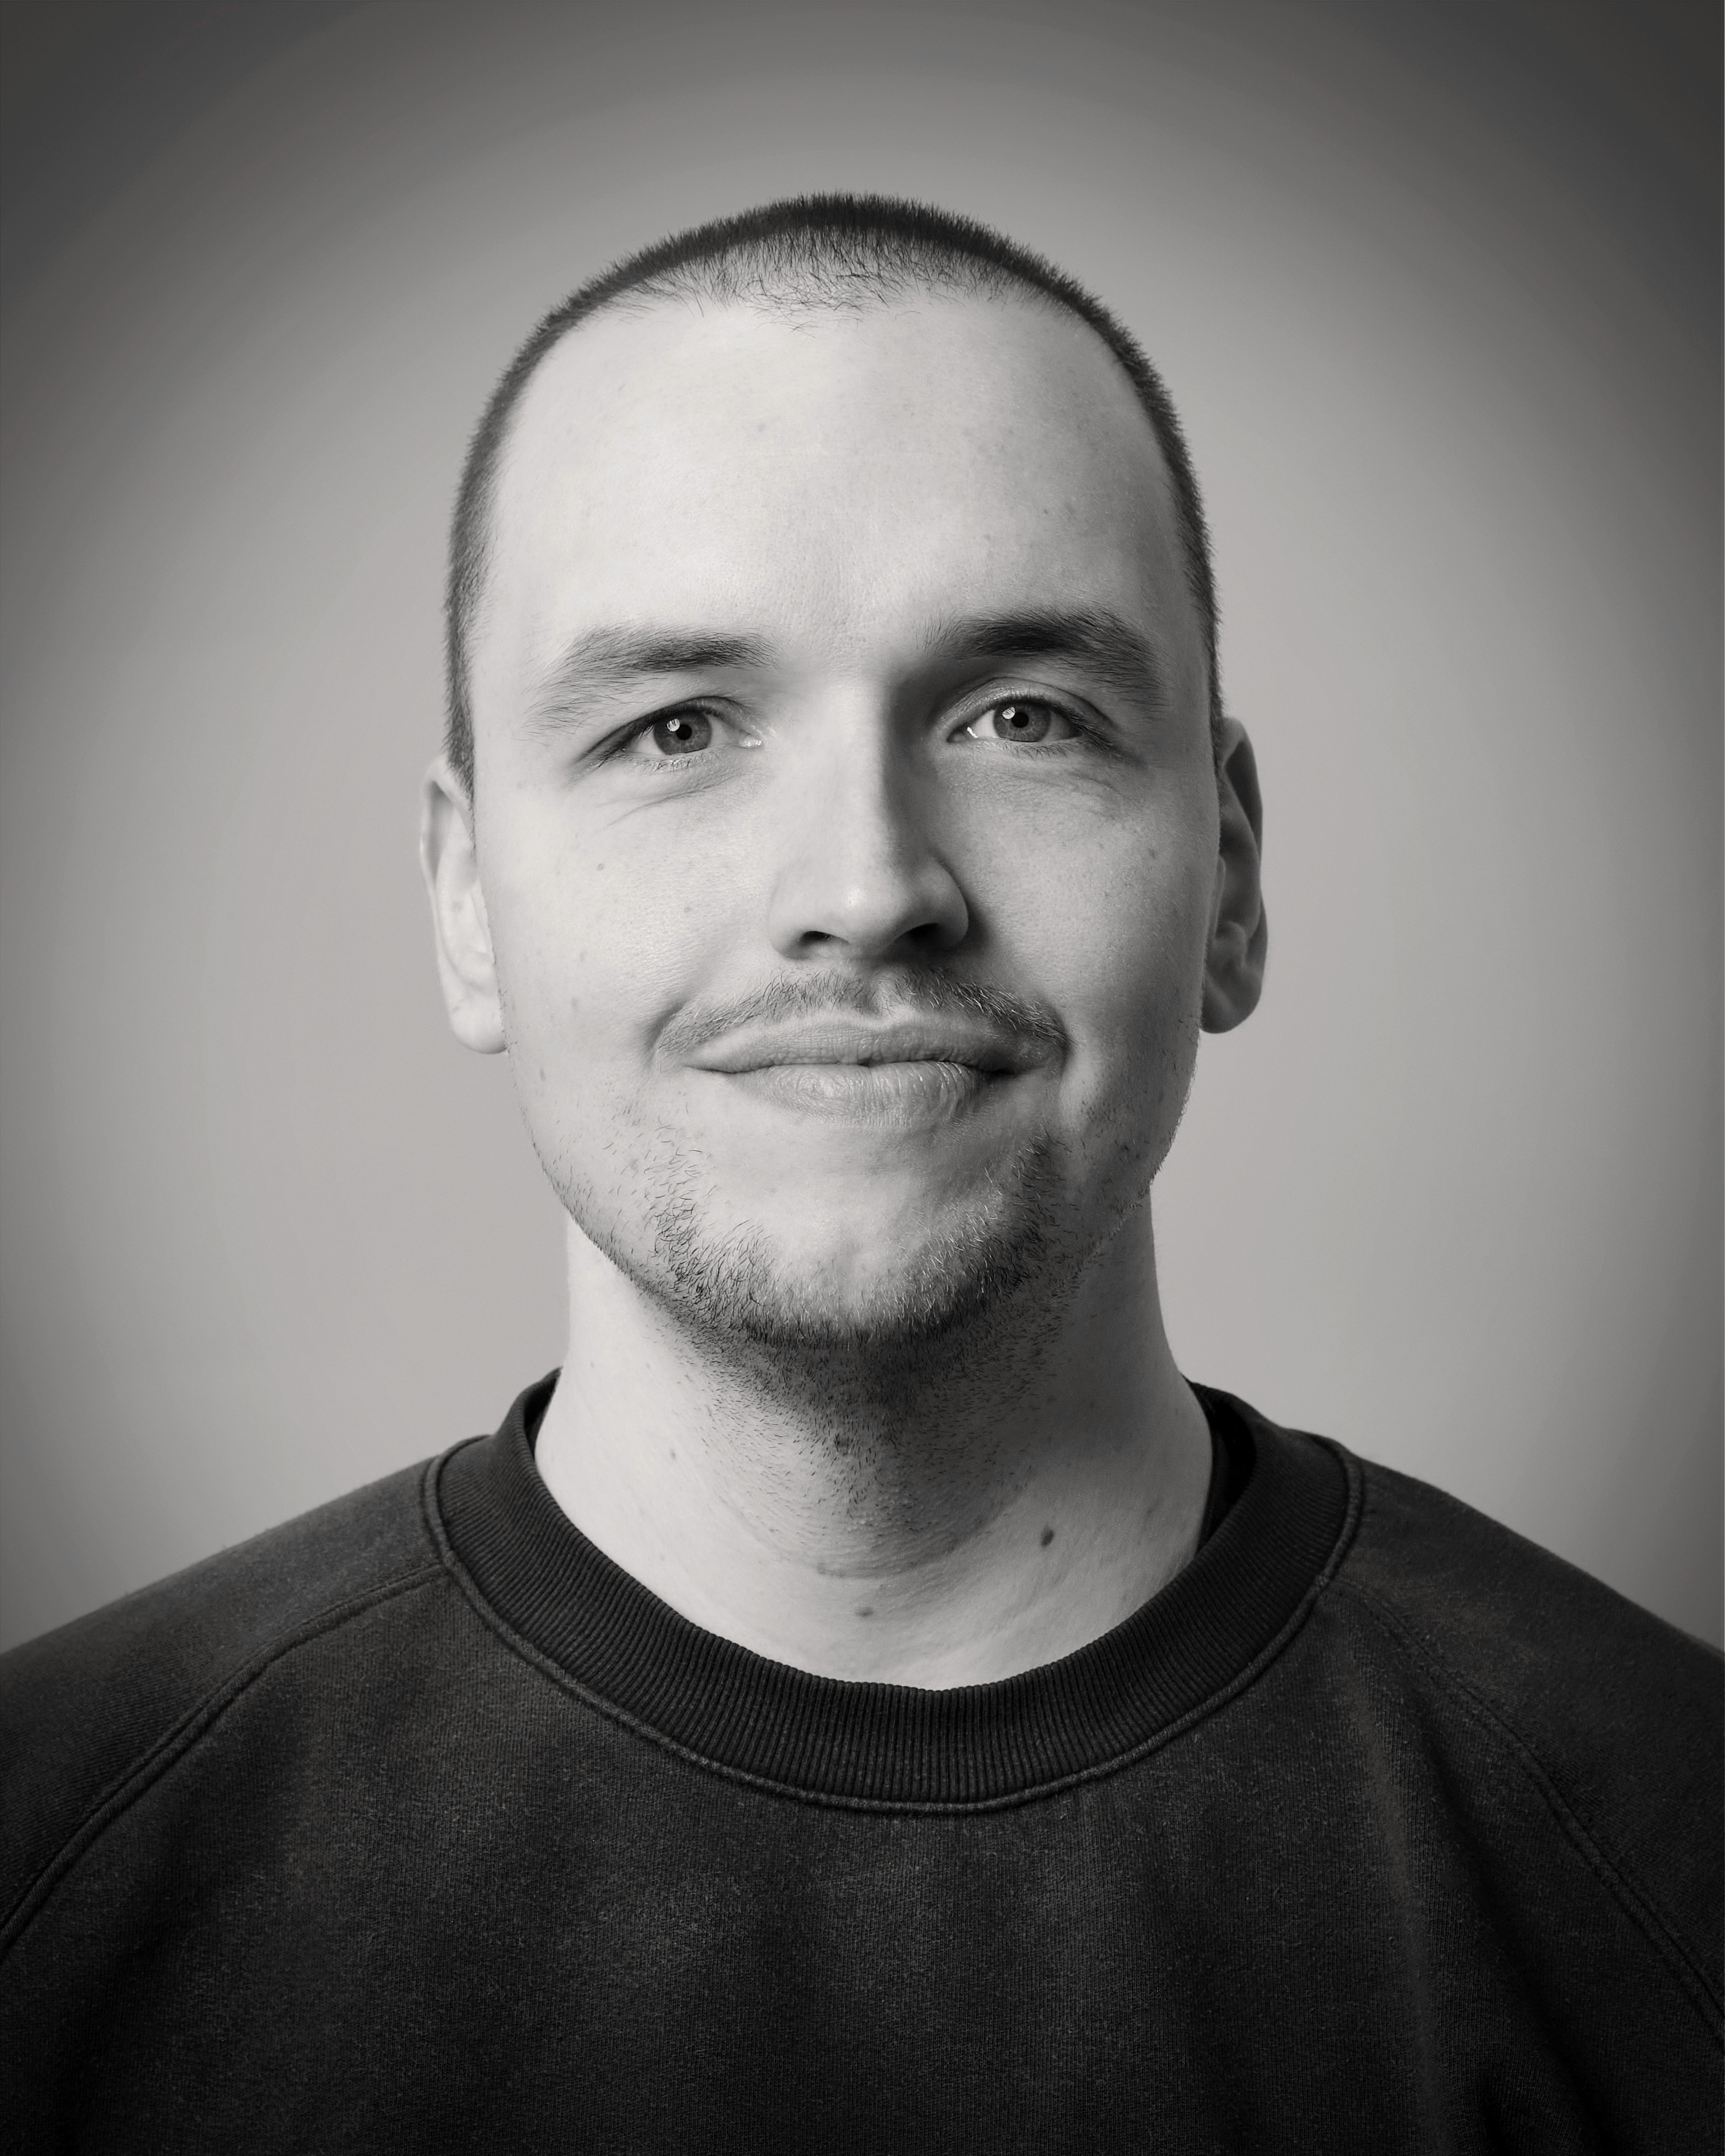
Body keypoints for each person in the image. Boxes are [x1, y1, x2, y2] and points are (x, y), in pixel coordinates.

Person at [2, 194, 1717, 2153]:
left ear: (1230, 876)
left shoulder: (1675, 1867)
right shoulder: (44, 1877)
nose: (866, 889)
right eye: (675, 727)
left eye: (1021, 717)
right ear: (469, 902)